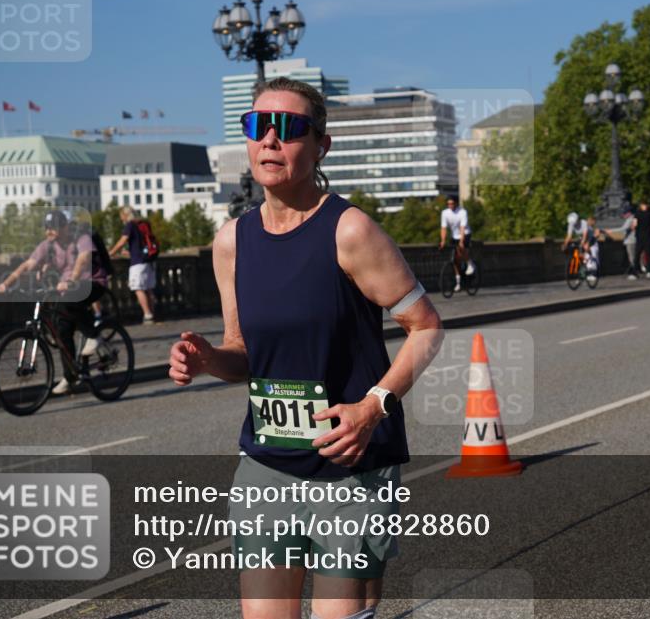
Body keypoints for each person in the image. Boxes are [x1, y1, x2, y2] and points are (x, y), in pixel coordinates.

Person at [167, 77, 443, 619]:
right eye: (257, 126)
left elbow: (427, 328)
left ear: (321, 145)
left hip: (351, 464)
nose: (270, 139)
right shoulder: (232, 243)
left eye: (289, 128)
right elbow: (243, 352)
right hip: (267, 462)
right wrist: (207, 361)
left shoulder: (351, 231)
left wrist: (371, 409)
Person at [0, 209, 104, 395]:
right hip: (66, 287)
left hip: (92, 282)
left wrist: (72, 280)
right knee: (62, 330)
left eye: (52, 228)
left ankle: (94, 336)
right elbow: (29, 264)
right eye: (47, 229)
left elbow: (83, 260)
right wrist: (6, 283)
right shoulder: (48, 245)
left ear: (65, 227)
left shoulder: (81, 238)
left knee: (72, 299)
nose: (49, 232)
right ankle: (71, 376)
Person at [108, 206, 156, 324]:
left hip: (138, 263)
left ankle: (147, 315)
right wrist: (129, 252)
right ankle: (152, 313)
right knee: (148, 289)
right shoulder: (141, 224)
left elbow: (123, 240)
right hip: (148, 260)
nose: (121, 219)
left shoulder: (130, 225)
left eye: (121, 216)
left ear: (125, 215)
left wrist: (111, 253)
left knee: (139, 289)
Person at [439, 194, 475, 292]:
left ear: (456, 203)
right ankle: (458, 282)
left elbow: (463, 227)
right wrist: (442, 241)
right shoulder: (445, 213)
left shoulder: (462, 212)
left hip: (465, 233)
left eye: (452, 203)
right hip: (454, 235)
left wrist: (462, 241)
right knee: (455, 260)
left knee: (461, 249)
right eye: (448, 204)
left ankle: (470, 263)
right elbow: (443, 228)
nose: (450, 205)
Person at [607, 207, 639, 280]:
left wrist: (610, 231)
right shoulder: (632, 219)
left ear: (628, 213)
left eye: (624, 214)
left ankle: (634, 273)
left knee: (632, 258)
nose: (623, 216)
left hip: (631, 240)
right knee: (631, 257)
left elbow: (623, 229)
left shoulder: (630, 219)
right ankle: (633, 272)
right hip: (630, 240)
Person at [634, 200, 650, 278]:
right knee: (638, 254)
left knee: (648, 254)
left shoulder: (649, 214)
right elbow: (635, 224)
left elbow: (635, 225)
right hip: (641, 236)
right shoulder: (638, 214)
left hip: (646, 236)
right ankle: (637, 270)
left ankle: (649, 270)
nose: (645, 206)